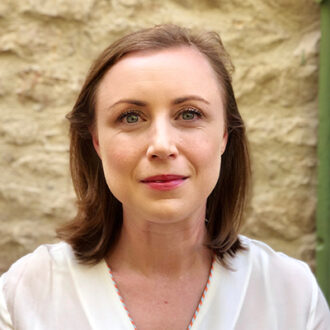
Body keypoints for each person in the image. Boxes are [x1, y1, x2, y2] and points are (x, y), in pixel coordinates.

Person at [0, 24, 329, 330]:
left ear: (225, 135)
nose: (161, 145)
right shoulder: (27, 293)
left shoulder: (291, 295)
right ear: (97, 140)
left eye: (189, 114)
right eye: (131, 117)